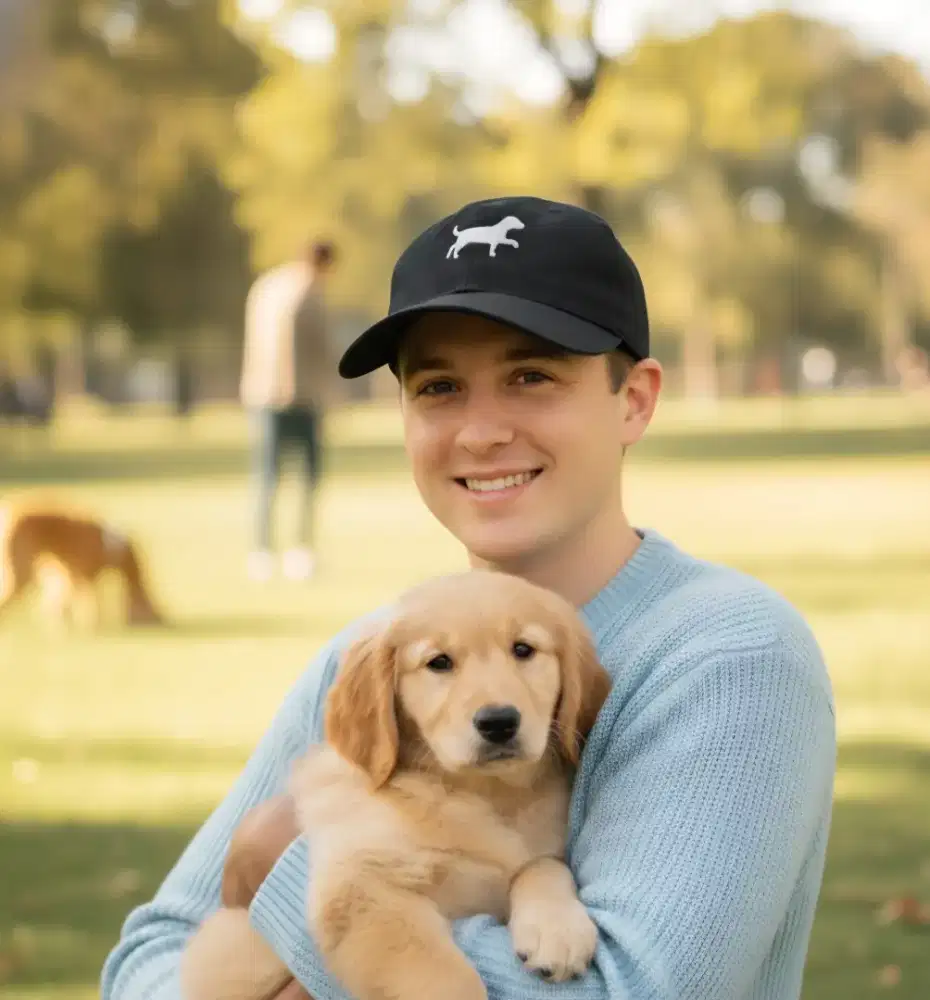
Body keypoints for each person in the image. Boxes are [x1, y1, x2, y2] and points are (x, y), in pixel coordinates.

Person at [101, 196, 836, 1000]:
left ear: (634, 399)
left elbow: (633, 989)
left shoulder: (727, 655)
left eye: (531, 376)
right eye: (440, 387)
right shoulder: (372, 656)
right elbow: (150, 956)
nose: (480, 432)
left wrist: (296, 875)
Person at [239, 237, 338, 582]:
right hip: (299, 398)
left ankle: (262, 551)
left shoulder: (266, 286)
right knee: (306, 477)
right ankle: (299, 551)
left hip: (262, 397)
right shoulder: (308, 294)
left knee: (267, 477)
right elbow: (307, 349)